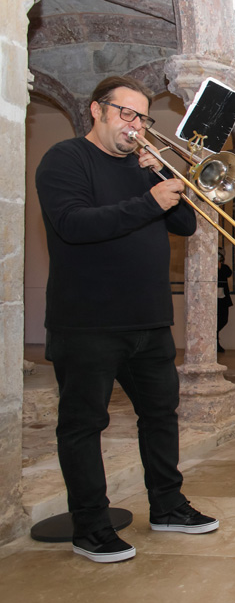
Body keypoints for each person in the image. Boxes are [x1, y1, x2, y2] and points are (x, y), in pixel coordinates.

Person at [35, 75, 219, 564]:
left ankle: (167, 506)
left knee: (160, 415)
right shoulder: (66, 159)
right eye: (126, 113)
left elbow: (186, 224)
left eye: (142, 117)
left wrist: (158, 176)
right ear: (97, 110)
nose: (135, 125)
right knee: (83, 425)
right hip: (87, 322)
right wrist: (147, 202)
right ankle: (91, 528)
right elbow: (73, 225)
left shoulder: (143, 168)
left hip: (149, 319)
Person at [217, 248, 233, 353]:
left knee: (223, 319)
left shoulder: (225, 267)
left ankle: (214, 335)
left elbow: (228, 273)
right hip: (213, 299)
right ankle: (215, 341)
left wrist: (220, 267)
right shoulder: (209, 268)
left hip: (223, 298)